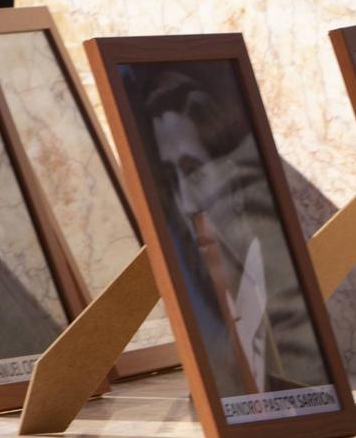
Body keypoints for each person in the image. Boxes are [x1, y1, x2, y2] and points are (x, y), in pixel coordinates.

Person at [139, 67, 329, 398]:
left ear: (231, 172)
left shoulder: (271, 260)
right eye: (172, 176)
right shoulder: (201, 276)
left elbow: (304, 380)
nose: (185, 202)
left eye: (194, 171)